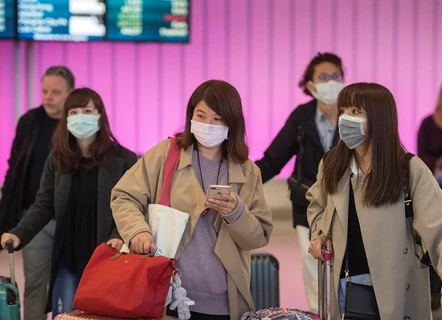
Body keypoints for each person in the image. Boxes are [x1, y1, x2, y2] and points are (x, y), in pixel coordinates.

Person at [307, 82, 442, 319]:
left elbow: (441, 230)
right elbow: (317, 205)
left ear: (379, 119)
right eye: (343, 110)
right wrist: (319, 233)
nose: (346, 118)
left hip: (396, 290)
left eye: (356, 111)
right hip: (344, 288)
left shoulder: (408, 169)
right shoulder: (333, 164)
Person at [110, 79, 273, 320]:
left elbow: (259, 235)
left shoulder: (248, 172)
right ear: (191, 116)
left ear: (232, 123)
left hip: (223, 302)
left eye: (218, 119)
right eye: (201, 115)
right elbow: (124, 196)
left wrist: (236, 213)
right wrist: (137, 231)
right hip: (165, 293)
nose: (209, 124)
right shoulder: (165, 155)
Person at [0, 88, 138, 318]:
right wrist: (18, 233)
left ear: (99, 115)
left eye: (87, 110)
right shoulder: (58, 158)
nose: (80, 116)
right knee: (65, 316)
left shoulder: (124, 159)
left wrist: (119, 235)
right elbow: (44, 204)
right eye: (73, 112)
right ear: (66, 119)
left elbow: (132, 206)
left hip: (106, 257)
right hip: (68, 258)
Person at [255, 52, 343, 312]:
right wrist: (240, 179)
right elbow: (273, 160)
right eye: (324, 77)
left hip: (347, 208)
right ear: (311, 85)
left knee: (346, 271)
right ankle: (319, 316)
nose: (331, 82)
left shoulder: (354, 114)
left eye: (336, 76)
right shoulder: (301, 118)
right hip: (307, 205)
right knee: (315, 269)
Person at [0, 66, 74, 320]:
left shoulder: (77, 124)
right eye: (45, 91)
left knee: (71, 283)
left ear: (70, 93)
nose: (48, 97)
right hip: (35, 217)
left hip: (71, 220)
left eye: (56, 92)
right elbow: (15, 167)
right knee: (34, 285)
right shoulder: (29, 122)